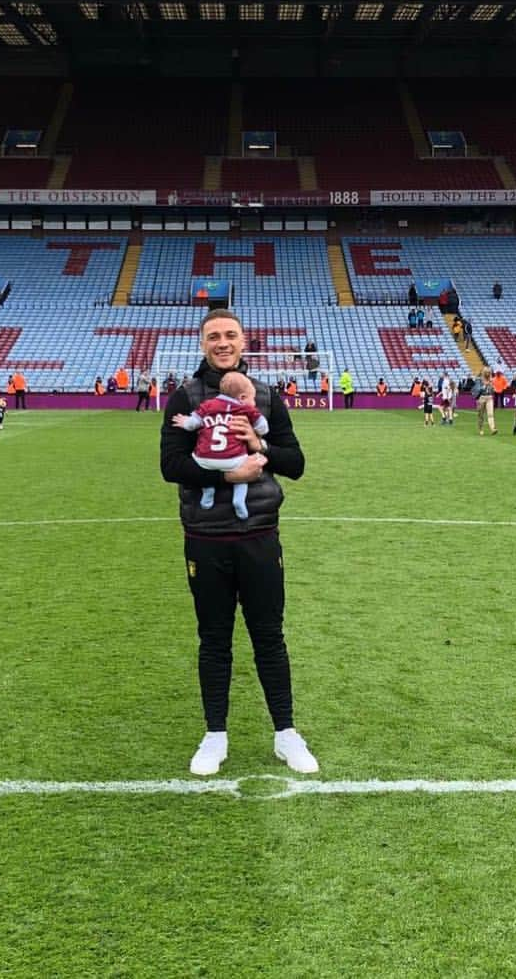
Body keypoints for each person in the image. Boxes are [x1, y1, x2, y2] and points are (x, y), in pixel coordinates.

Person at [160, 308, 316, 776]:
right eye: (214, 336)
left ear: (244, 342)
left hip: (259, 537)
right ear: (202, 343)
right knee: (214, 639)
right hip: (206, 539)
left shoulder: (266, 397)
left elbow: (295, 462)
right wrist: (233, 475)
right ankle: (215, 736)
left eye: (230, 335)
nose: (222, 343)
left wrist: (260, 447)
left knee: (269, 636)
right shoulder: (184, 397)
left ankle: (286, 734)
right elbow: (171, 465)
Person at [172, 371, 271, 521]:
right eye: (253, 399)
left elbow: (192, 424)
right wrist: (257, 433)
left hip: (205, 459)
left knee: (200, 464)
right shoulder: (246, 409)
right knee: (245, 469)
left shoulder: (207, 405)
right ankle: (238, 500)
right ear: (242, 398)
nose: (254, 403)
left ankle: (208, 491)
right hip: (234, 460)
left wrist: (184, 421)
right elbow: (263, 427)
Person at [472, 366, 498, 435]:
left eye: (489, 372)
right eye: (486, 372)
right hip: (481, 398)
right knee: (481, 415)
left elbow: (492, 390)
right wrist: (485, 385)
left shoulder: (491, 380)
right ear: (483, 372)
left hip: (489, 397)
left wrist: (492, 388)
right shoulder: (479, 380)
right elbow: (477, 389)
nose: (488, 373)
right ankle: (480, 429)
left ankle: (493, 428)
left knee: (490, 414)